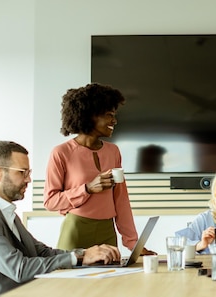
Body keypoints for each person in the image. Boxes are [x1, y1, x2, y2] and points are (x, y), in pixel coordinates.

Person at [0, 140, 120, 296]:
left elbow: (41, 252)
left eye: (29, 173)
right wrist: (80, 257)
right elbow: (19, 269)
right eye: (22, 173)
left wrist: (87, 254)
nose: (28, 179)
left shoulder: (2, 211)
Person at [43, 83, 154, 255]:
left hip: (107, 231)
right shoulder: (61, 153)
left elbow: (121, 200)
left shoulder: (113, 151)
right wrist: (86, 189)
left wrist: (133, 244)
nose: (114, 121)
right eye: (109, 115)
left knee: (112, 281)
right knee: (70, 282)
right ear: (90, 116)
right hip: (76, 230)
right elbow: (50, 201)